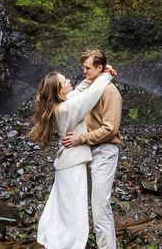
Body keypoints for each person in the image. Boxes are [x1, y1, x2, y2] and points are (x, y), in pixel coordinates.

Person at [30, 64, 116, 249]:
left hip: (68, 162)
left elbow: (79, 91)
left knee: (61, 207)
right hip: (73, 163)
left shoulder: (61, 104)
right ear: (60, 91)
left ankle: (56, 241)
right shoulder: (66, 108)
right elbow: (88, 97)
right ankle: (69, 244)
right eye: (65, 81)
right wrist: (106, 76)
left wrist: (95, 76)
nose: (70, 81)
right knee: (73, 211)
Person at [62, 50, 122, 249]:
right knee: (83, 202)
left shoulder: (109, 92)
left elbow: (110, 128)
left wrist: (81, 138)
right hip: (87, 150)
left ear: (99, 68)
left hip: (104, 151)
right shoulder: (91, 88)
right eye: (83, 67)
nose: (83, 70)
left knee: (99, 206)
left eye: (88, 67)